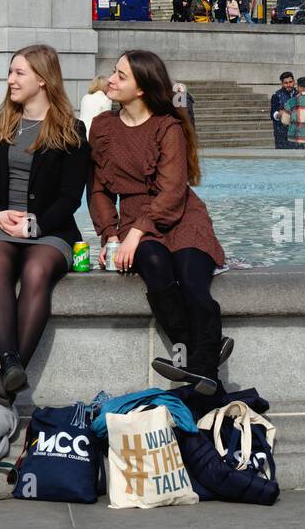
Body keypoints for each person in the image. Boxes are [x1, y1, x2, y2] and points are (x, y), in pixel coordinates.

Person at [88, 50, 232, 393]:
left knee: (192, 279)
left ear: (141, 89)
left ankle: (198, 364)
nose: (111, 79)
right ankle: (204, 356)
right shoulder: (102, 127)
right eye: (114, 72)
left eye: (121, 76)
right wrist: (110, 235)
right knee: (154, 262)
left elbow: (171, 192)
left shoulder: (168, 127)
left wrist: (135, 232)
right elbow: (98, 191)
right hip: (135, 218)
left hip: (182, 215)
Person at [0, 44, 89, 405]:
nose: (10, 80)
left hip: (51, 229)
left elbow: (72, 196)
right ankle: (11, 361)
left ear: (42, 79)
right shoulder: (2, 123)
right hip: (1, 224)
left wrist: (36, 225)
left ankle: (10, 374)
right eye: (11, 72)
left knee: (38, 271)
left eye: (18, 73)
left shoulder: (72, 129)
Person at [270, 71, 296, 150]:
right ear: (282, 84)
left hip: (296, 133)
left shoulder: (299, 94)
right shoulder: (276, 95)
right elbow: (272, 114)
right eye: (286, 83)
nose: (288, 85)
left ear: (294, 82)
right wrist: (278, 114)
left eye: (290, 82)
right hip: (281, 134)